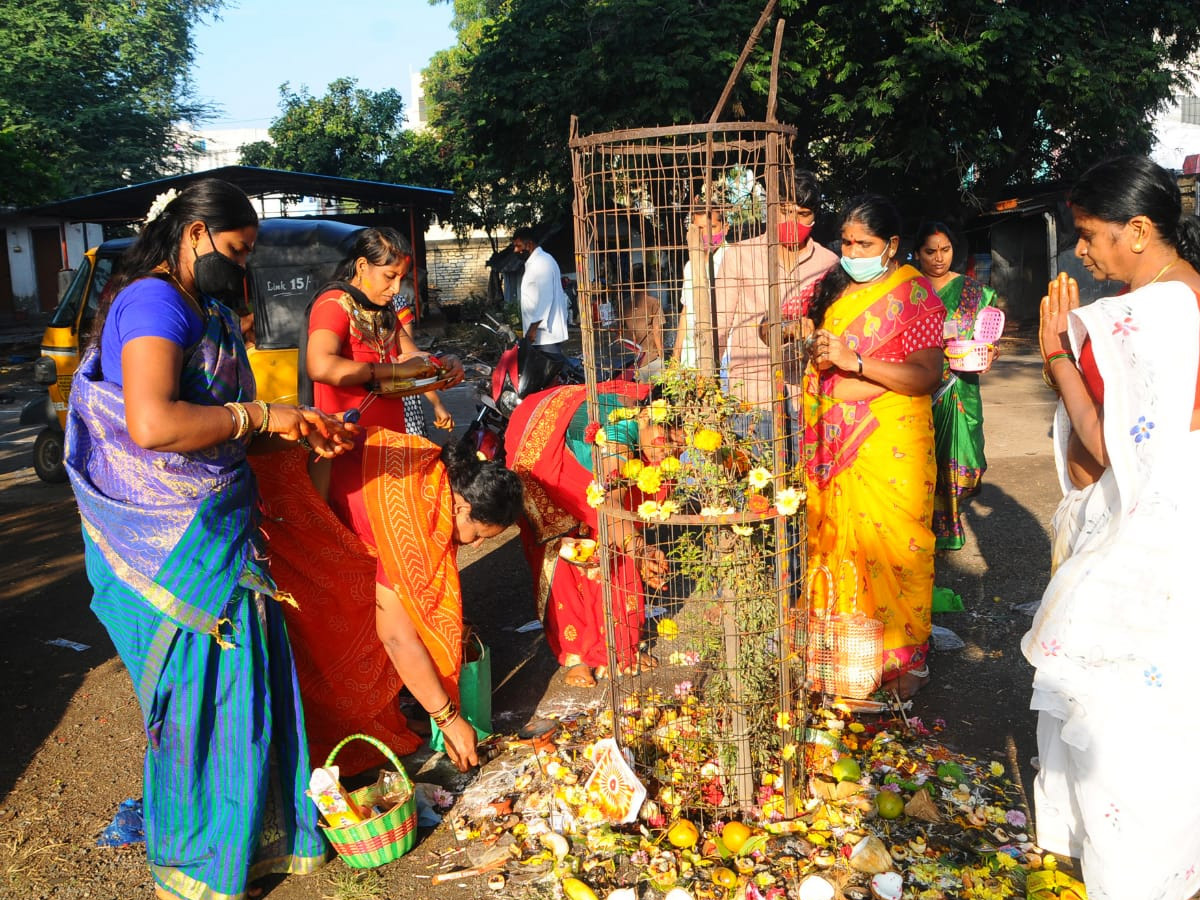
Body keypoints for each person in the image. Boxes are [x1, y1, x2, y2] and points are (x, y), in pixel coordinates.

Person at [64, 179, 359, 900]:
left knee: (237, 693)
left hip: (219, 523)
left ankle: (248, 844)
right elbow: (156, 426)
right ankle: (197, 862)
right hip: (165, 538)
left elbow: (225, 426)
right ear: (195, 234)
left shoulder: (210, 306)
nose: (243, 263)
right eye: (237, 248)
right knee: (194, 700)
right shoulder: (156, 302)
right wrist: (260, 414)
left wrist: (295, 429)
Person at [1021, 156, 1200, 900]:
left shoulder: (1146, 315)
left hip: (1148, 535)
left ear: (1139, 229)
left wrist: (1057, 351)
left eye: (1090, 235)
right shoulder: (1181, 296)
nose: (1081, 252)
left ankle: (1137, 874)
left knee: (1124, 714)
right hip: (1165, 522)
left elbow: (1109, 445)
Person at [253, 437, 524, 776]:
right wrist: (449, 720)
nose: (478, 545)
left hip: (303, 490)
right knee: (344, 637)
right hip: (287, 512)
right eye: (479, 534)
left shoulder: (430, 466)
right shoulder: (416, 518)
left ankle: (385, 721)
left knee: (377, 612)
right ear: (459, 507)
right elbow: (396, 638)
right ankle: (348, 746)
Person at [797, 194, 945, 699]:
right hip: (834, 442)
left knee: (897, 548)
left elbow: (926, 375)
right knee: (838, 544)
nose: (853, 250)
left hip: (892, 442)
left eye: (865, 243)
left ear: (892, 246)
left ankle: (904, 661)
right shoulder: (835, 288)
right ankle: (844, 653)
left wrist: (855, 361)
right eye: (846, 241)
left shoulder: (916, 295)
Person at [505, 382, 677, 687]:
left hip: (590, 468)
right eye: (666, 438)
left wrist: (633, 546)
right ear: (647, 416)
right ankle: (576, 655)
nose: (669, 450)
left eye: (678, 443)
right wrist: (639, 549)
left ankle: (621, 646)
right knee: (567, 549)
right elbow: (611, 504)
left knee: (612, 543)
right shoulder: (617, 439)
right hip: (545, 466)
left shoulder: (656, 429)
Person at [304, 227, 464, 533]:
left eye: (401, 278)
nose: (396, 288)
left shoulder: (384, 310)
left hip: (387, 447)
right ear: (363, 266)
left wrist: (444, 365)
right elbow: (321, 365)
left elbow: (413, 357)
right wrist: (389, 370)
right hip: (346, 447)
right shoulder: (334, 304)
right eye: (390, 276)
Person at [716, 170, 839, 414]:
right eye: (785, 211)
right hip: (750, 395)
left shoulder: (829, 263)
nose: (793, 221)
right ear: (771, 210)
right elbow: (717, 326)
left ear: (814, 217)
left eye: (803, 214)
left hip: (807, 395)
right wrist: (707, 383)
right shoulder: (740, 255)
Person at [914, 221, 1000, 552]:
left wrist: (991, 352)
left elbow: (989, 338)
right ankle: (922, 527)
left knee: (966, 458)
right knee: (922, 458)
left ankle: (951, 520)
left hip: (961, 386)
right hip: (919, 388)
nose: (938, 258)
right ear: (918, 253)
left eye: (945, 250)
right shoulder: (908, 291)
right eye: (930, 251)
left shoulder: (973, 292)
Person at [672, 204, 728, 368]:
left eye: (712, 227)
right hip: (690, 357)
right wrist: (676, 354)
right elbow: (686, 311)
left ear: (725, 228)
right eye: (700, 228)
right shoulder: (690, 265)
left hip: (722, 355)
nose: (706, 234)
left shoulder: (732, 259)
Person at [512, 227, 571, 360]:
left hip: (545, 335)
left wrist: (533, 329)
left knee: (551, 373)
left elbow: (545, 298)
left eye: (518, 246)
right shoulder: (537, 262)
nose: (516, 250)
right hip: (542, 334)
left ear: (529, 245)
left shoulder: (542, 263)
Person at [618, 287, 665, 375]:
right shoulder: (653, 302)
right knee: (649, 386)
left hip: (631, 358)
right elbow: (657, 331)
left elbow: (619, 332)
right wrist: (661, 354)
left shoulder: (624, 304)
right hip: (650, 357)